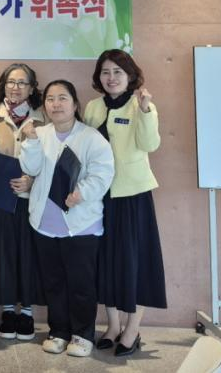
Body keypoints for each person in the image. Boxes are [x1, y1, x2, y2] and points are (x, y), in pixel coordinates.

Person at [20, 80, 114, 357]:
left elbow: (103, 173)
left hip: (81, 225)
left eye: (63, 98)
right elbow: (30, 168)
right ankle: (58, 331)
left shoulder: (91, 137)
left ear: (75, 104)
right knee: (53, 283)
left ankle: (83, 335)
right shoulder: (40, 133)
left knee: (81, 285)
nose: (56, 104)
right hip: (44, 225)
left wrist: (81, 193)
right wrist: (31, 141)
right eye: (50, 99)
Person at [84, 49, 166, 357]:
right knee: (106, 260)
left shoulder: (141, 105)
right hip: (100, 195)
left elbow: (150, 144)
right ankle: (113, 325)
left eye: (118, 72)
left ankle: (133, 329)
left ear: (130, 75)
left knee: (135, 261)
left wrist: (145, 111)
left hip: (133, 194)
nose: (111, 78)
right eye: (105, 72)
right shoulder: (93, 107)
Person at [0, 63, 45, 340]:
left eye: (22, 83)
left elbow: (52, 160)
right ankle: (7, 310)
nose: (15, 88)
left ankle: (26, 312)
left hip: (29, 199)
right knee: (0, 254)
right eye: (11, 82)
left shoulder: (42, 118)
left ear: (32, 88)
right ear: (3, 85)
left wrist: (32, 182)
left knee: (28, 254)